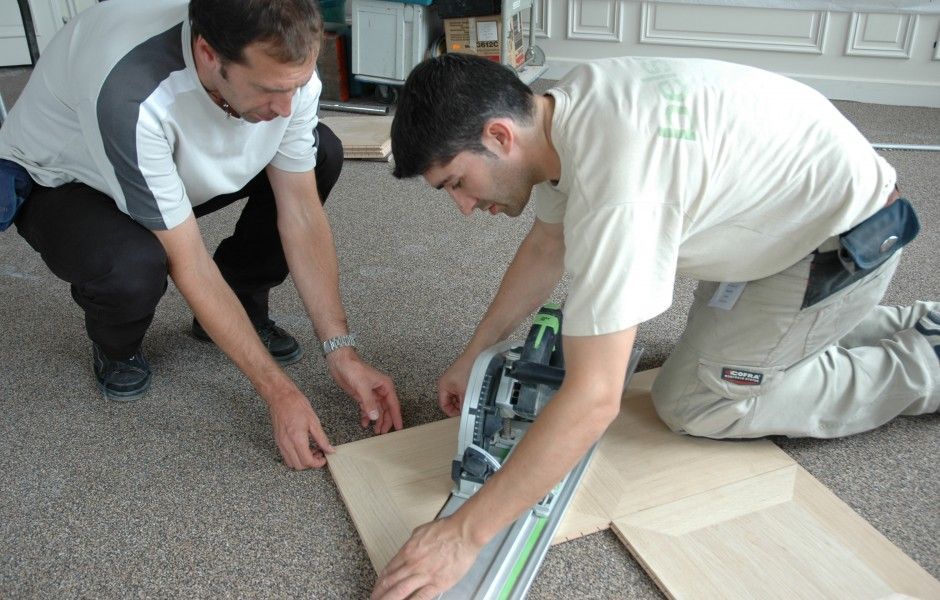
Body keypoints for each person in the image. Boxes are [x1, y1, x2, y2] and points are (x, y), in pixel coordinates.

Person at [371, 53, 939, 598]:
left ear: (499, 136)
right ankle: (912, 319)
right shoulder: (564, 108)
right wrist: (477, 351)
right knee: (712, 360)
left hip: (841, 245)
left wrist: (465, 533)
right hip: (783, 218)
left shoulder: (620, 192)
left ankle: (924, 365)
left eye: (455, 183)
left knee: (697, 402)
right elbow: (548, 244)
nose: (463, 207)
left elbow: (595, 401)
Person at [0, 0, 403, 470]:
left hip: (172, 164)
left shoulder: (285, 72)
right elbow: (187, 260)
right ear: (209, 55)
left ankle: (242, 300)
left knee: (322, 154)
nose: (287, 108)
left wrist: (342, 352)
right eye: (271, 90)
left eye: (296, 86)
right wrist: (279, 393)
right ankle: (117, 347)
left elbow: (301, 212)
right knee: (132, 265)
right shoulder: (131, 95)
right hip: (71, 179)